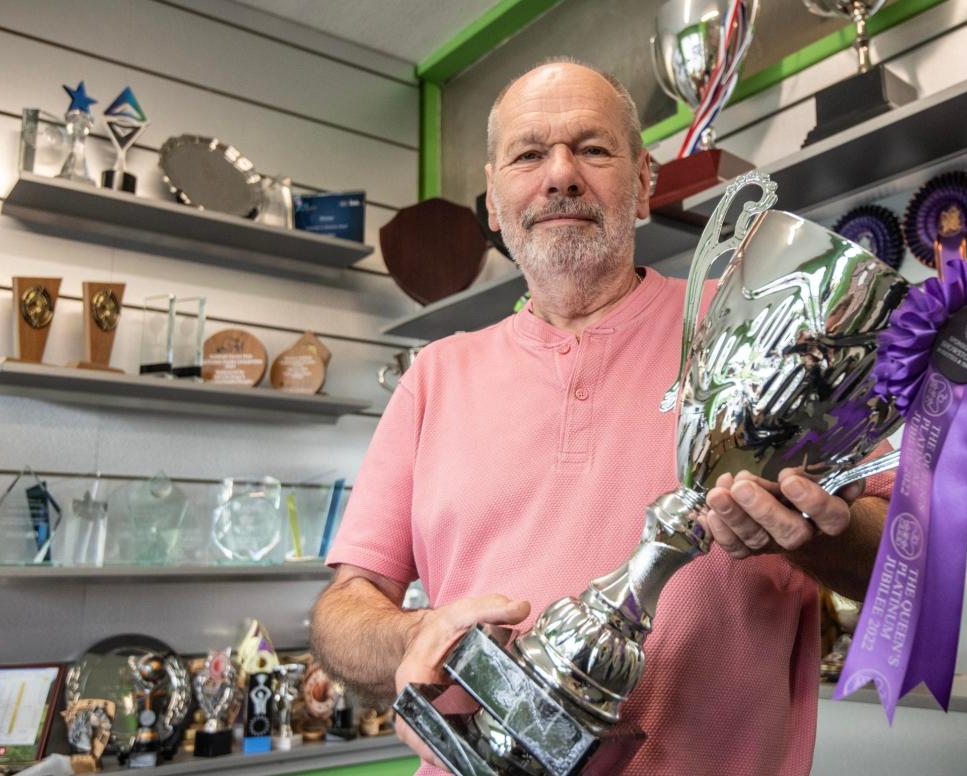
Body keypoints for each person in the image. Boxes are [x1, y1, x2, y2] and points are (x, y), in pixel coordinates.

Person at [310, 59, 893, 776]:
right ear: (492, 202)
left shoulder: (758, 329)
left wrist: (802, 534)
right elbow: (343, 613)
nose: (560, 174)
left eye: (592, 149)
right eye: (528, 154)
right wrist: (415, 636)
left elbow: (902, 562)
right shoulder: (433, 376)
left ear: (643, 184)